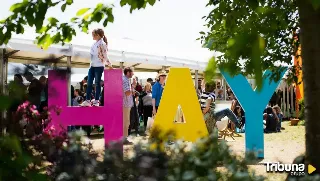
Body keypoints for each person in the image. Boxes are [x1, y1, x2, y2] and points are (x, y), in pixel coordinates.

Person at [81, 28, 112, 107]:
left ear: (98, 35)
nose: (92, 37)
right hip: (92, 66)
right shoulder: (94, 44)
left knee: (97, 83)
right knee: (89, 83)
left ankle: (97, 100)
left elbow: (105, 55)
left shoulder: (102, 44)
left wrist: (109, 64)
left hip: (99, 66)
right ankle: (88, 100)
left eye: (93, 35)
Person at [122, 67, 134, 143]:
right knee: (126, 121)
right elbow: (127, 92)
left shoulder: (125, 79)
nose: (133, 74)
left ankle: (124, 137)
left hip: (125, 104)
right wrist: (133, 88)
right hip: (125, 104)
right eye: (132, 72)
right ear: (128, 72)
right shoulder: (125, 80)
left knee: (126, 121)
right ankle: (124, 138)